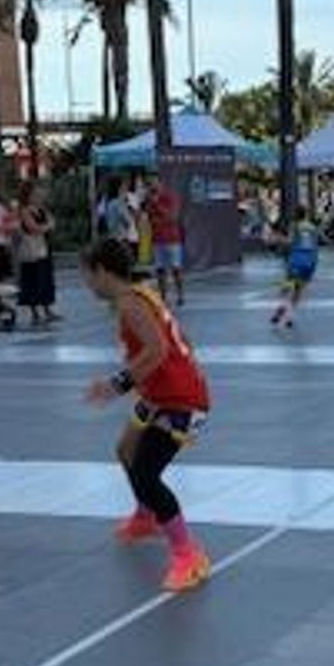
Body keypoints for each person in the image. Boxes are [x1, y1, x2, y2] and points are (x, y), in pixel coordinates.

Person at [81, 239, 213, 592]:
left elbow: (158, 349)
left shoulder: (129, 304)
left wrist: (116, 384)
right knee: (126, 449)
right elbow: (181, 338)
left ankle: (188, 555)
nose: (87, 285)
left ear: (102, 271)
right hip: (160, 395)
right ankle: (145, 517)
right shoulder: (142, 293)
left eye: (87, 276)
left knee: (146, 473)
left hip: (180, 402)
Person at [15, 180, 59, 326]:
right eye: (36, 192)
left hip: (44, 246)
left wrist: (46, 226)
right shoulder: (25, 210)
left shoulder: (41, 209)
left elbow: (52, 222)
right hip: (31, 248)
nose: (39, 195)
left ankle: (47, 309)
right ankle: (35, 312)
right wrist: (47, 227)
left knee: (45, 277)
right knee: (33, 279)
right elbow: (33, 228)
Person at [271, 216, 319, 329]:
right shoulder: (313, 228)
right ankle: (289, 316)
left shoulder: (295, 227)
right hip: (310, 262)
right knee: (298, 289)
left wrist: (279, 239)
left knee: (286, 287)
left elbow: (289, 242)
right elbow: (317, 244)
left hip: (297, 260)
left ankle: (283, 309)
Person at [146, 177, 187, 306]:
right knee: (160, 270)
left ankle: (180, 295)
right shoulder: (149, 200)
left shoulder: (169, 197)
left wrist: (157, 204)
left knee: (176, 269)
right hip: (158, 240)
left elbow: (172, 217)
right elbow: (151, 219)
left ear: (160, 184)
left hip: (173, 239)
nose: (152, 186)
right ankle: (163, 297)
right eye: (150, 184)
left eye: (154, 183)